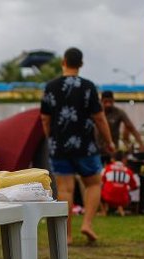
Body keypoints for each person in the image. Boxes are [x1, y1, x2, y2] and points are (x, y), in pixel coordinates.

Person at [40, 47, 114, 244]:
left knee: (65, 190)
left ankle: (67, 235)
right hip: (85, 146)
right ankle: (87, 224)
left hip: (59, 146)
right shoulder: (89, 87)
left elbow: (45, 119)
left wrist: (51, 138)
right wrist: (110, 142)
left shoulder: (51, 87)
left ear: (63, 61)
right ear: (81, 64)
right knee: (93, 183)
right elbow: (99, 118)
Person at [98, 90, 144, 160]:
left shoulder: (118, 112)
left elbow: (131, 127)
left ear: (113, 101)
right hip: (97, 151)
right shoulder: (97, 112)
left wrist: (141, 144)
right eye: (105, 102)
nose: (108, 104)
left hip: (113, 151)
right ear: (101, 101)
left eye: (110, 101)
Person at [100, 151, 139, 216]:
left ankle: (103, 211)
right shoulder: (128, 171)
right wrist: (126, 188)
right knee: (121, 191)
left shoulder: (107, 168)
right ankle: (121, 211)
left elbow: (100, 183)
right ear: (124, 160)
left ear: (112, 159)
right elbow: (135, 186)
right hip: (124, 199)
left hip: (108, 198)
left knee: (99, 190)